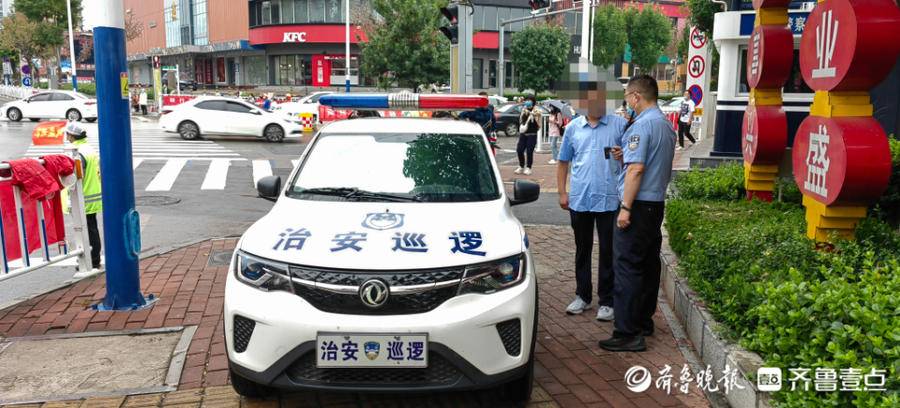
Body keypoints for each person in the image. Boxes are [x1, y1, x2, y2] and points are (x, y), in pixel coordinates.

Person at [599, 75, 675, 352]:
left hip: (638, 205)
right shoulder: (665, 125)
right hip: (655, 204)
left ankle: (627, 332)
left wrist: (625, 208)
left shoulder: (641, 126)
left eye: (627, 97)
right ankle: (643, 321)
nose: (627, 103)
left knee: (627, 266)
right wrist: (626, 157)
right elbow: (648, 162)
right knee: (647, 265)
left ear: (636, 97)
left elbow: (637, 169)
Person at [557, 93, 628, 320]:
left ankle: (607, 301)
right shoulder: (573, 128)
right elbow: (563, 161)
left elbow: (633, 159)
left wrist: (622, 156)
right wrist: (562, 192)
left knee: (608, 251)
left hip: (610, 199)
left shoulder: (620, 125)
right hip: (580, 198)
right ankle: (583, 296)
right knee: (582, 249)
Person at [65, 122, 103, 271]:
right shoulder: (88, 149)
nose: (66, 137)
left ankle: (91, 260)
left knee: (86, 231)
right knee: (92, 228)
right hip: (92, 196)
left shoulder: (78, 153)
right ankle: (94, 258)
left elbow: (75, 177)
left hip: (83, 198)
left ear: (72, 135)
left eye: (67, 134)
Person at [515, 95, 541, 175]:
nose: (527, 101)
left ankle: (528, 167)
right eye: (527, 100)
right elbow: (521, 120)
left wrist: (532, 114)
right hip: (523, 134)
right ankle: (521, 166)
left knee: (529, 151)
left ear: (533, 101)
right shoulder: (523, 110)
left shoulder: (537, 111)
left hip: (532, 134)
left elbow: (538, 122)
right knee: (519, 150)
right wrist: (525, 114)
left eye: (529, 100)